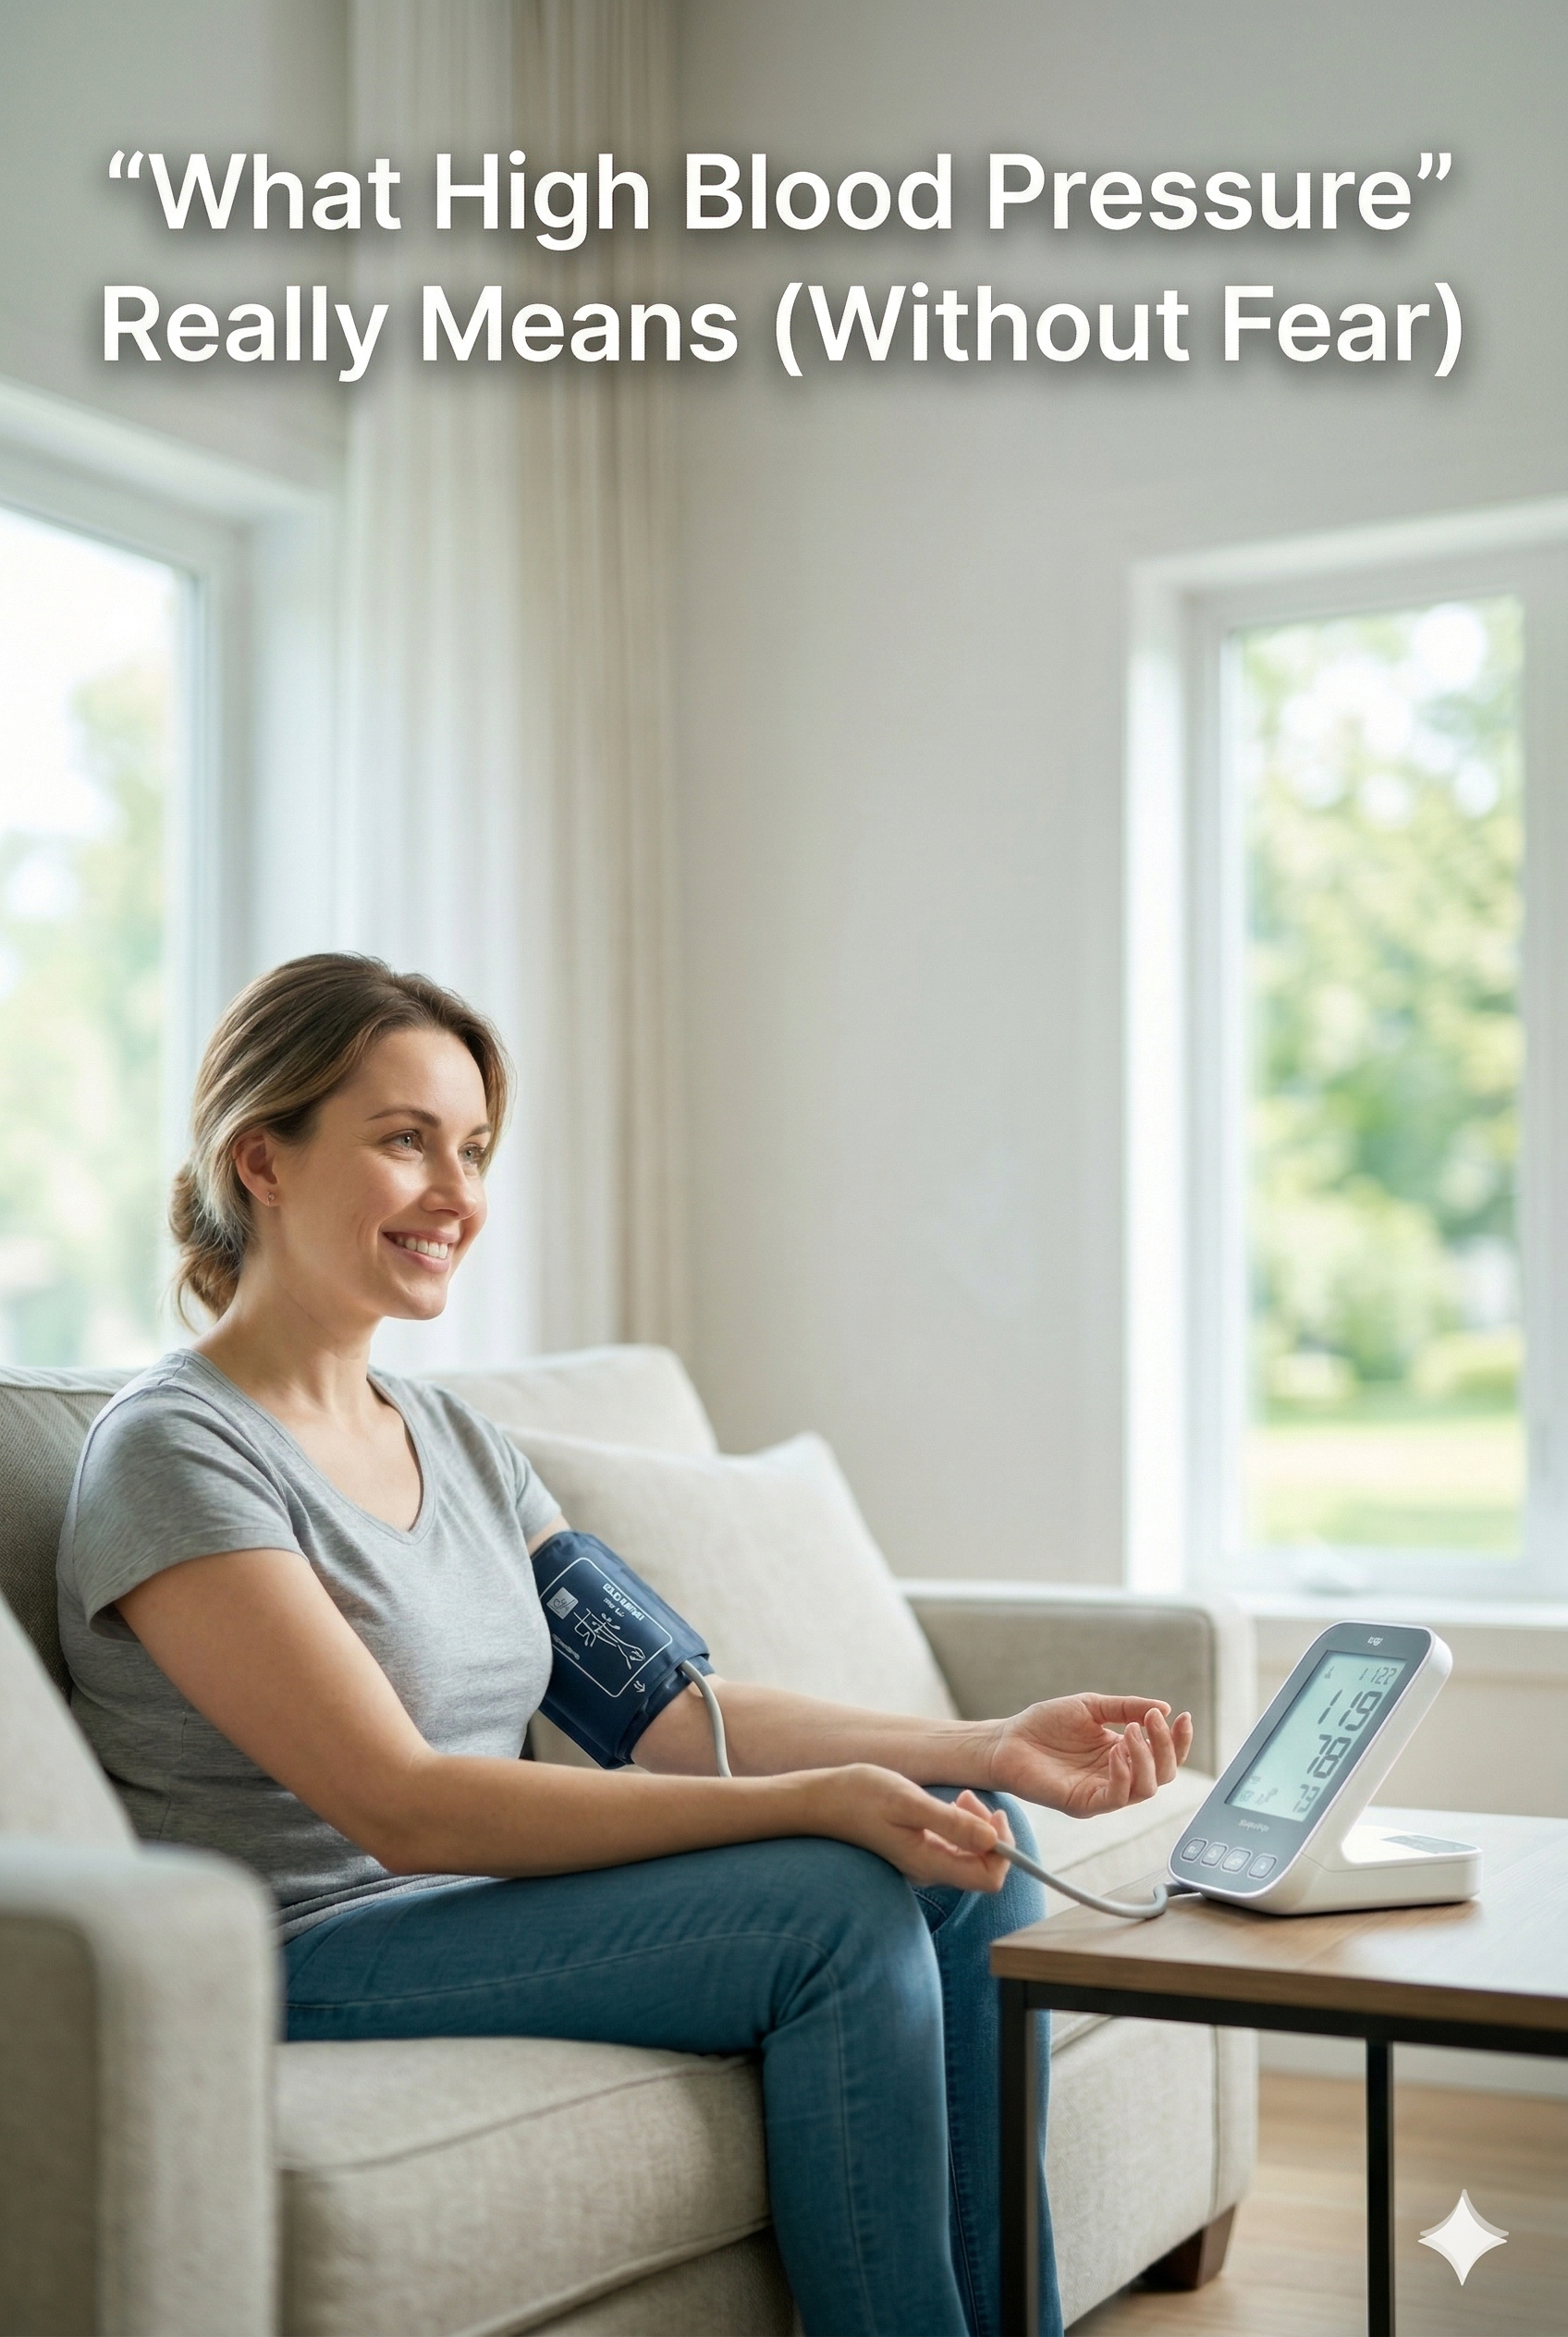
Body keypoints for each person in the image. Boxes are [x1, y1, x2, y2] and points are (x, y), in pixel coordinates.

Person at [56, 953, 1193, 2337]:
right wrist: (819, 1804)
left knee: (973, 1844)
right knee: (832, 1907)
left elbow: (671, 1714)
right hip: (296, 1945)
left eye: (474, 1149)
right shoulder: (178, 1452)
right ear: (263, 1160)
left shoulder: (459, 1443)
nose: (458, 1195)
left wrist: (984, 1746)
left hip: (454, 1909)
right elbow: (404, 1806)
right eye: (406, 1140)